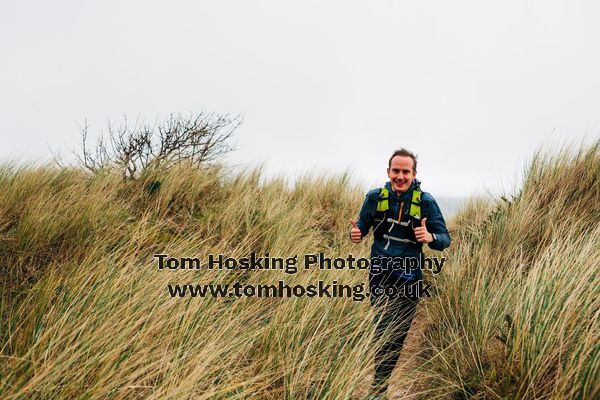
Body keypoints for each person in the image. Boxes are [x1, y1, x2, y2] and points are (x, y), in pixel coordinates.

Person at [349, 148, 451, 398]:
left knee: (397, 333)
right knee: (383, 327)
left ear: (414, 174)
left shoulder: (426, 202)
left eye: (406, 171)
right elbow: (362, 225)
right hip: (380, 272)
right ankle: (379, 386)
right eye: (396, 171)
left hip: (409, 276)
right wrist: (358, 233)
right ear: (388, 172)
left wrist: (430, 237)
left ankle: (379, 386)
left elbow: (444, 239)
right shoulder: (374, 197)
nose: (400, 176)